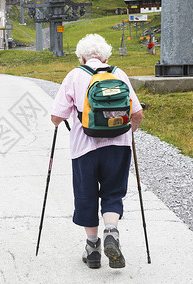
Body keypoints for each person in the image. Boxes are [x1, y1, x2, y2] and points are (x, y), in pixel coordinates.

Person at [51, 34, 143, 269]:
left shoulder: (75, 75)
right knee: (113, 192)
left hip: (85, 148)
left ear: (82, 57)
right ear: (105, 56)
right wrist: (125, 133)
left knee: (86, 194)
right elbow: (137, 114)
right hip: (118, 146)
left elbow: (55, 118)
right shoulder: (118, 73)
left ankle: (93, 248)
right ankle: (111, 231)